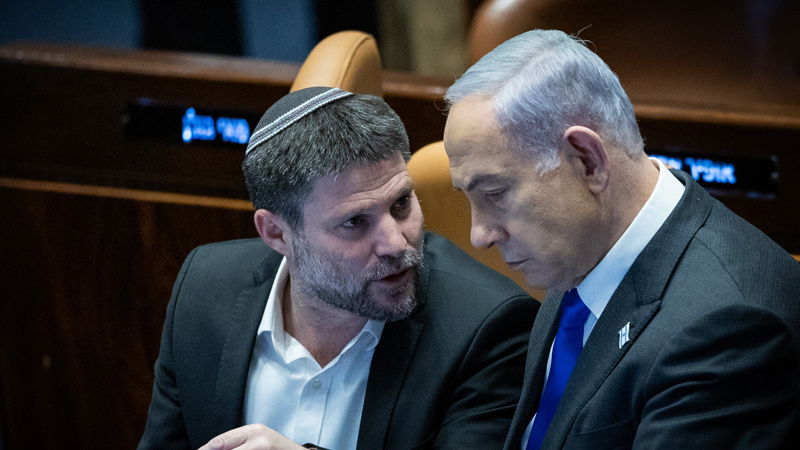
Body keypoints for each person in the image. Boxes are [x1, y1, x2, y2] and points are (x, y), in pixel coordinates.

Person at [443, 29, 800, 449]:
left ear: (587, 161)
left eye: (494, 193)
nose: (479, 234)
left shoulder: (726, 331)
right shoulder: (584, 250)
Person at [138, 87, 538, 450]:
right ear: (276, 233)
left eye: (401, 203)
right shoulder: (204, 290)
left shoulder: (488, 330)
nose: (396, 243)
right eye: (355, 222)